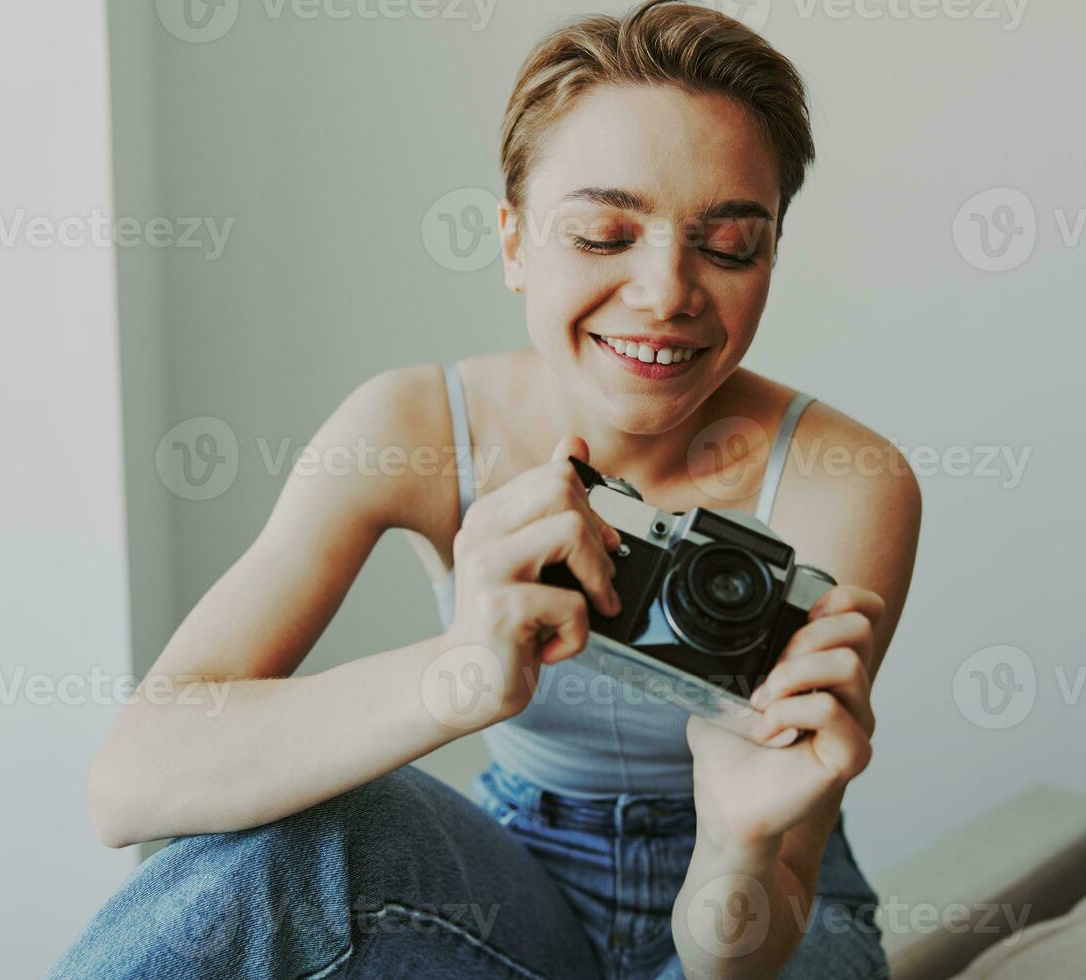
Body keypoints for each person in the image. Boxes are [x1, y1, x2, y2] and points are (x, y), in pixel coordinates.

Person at [50, 1, 921, 976]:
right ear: (512, 241)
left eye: (727, 245)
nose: (667, 292)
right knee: (291, 837)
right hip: (511, 878)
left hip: (768, 911)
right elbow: (132, 781)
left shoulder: (846, 481)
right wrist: (458, 669)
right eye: (602, 233)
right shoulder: (417, 428)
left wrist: (738, 837)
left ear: (770, 259)